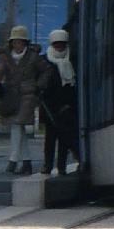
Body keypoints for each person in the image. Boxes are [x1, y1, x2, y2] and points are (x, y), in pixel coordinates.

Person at [0, 26, 42, 175]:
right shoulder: (5, 56)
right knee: (18, 126)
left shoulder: (33, 56)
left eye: (20, 42)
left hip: (28, 94)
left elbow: (45, 71)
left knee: (17, 124)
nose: (17, 45)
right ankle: (26, 162)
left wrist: (38, 86)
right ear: (11, 43)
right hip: (11, 95)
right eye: (15, 42)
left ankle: (13, 160)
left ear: (25, 43)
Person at [37, 28, 79, 177]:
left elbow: (75, 85)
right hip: (49, 106)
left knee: (64, 139)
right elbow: (40, 84)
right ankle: (47, 165)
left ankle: (61, 165)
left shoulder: (73, 59)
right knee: (50, 139)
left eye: (61, 44)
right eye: (56, 44)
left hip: (67, 106)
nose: (59, 47)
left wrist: (69, 104)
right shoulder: (44, 60)